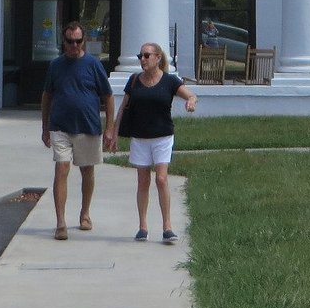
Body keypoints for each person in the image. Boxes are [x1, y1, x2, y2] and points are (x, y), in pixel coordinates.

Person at [111, 40, 197, 244]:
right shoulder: (134, 81)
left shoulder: (170, 81)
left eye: (147, 56)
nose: (143, 60)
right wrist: (114, 133)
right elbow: (123, 108)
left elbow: (190, 94)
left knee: (161, 179)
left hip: (163, 137)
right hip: (140, 138)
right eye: (141, 56)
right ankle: (143, 227)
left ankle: (167, 227)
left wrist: (191, 101)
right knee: (143, 181)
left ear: (158, 58)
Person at [41, 21, 116, 241]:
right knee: (62, 168)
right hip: (60, 126)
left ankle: (85, 213)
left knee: (87, 171)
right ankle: (61, 222)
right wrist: (45, 127)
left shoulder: (93, 64)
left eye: (78, 41)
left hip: (88, 126)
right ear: (63, 42)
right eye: (70, 41)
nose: (74, 45)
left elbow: (108, 96)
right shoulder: (55, 65)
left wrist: (110, 128)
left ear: (84, 41)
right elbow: (47, 96)